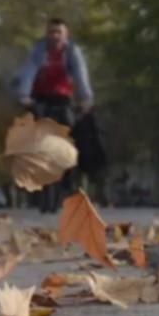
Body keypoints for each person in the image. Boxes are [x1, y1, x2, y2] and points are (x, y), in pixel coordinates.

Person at [16, 17, 94, 212]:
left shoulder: (72, 52)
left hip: (64, 101)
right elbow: (28, 72)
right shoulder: (39, 51)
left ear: (65, 35)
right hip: (40, 100)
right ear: (46, 33)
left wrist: (85, 99)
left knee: (75, 137)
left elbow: (80, 75)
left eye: (59, 32)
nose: (55, 36)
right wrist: (24, 95)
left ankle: (70, 175)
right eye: (51, 32)